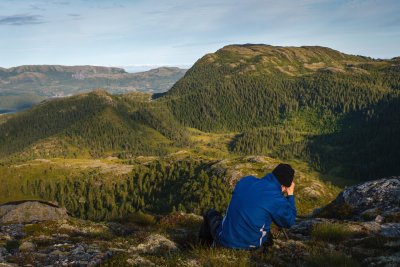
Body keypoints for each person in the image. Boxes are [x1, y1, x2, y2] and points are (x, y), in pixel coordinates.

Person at [198, 163, 296, 251]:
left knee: (210, 213)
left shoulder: (246, 180)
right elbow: (289, 221)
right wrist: (290, 195)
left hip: (224, 241)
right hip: (251, 247)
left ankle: (202, 248)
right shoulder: (277, 198)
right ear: (284, 187)